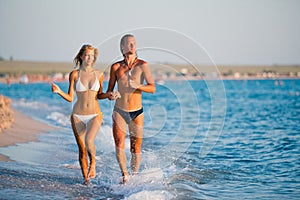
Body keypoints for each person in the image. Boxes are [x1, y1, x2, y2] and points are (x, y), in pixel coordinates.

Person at [98, 34, 156, 183]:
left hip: (137, 112)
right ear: (122, 47)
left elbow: (152, 88)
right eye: (129, 44)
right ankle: (125, 175)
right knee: (119, 145)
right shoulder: (116, 67)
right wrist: (110, 95)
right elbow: (105, 93)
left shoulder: (143, 65)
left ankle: (134, 176)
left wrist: (138, 86)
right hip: (120, 111)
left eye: (134, 43)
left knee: (135, 148)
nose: (132, 46)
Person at [51, 44, 104, 185]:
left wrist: (109, 95)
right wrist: (58, 91)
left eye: (92, 56)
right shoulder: (74, 74)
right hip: (78, 116)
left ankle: (93, 163)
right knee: (82, 149)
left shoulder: (99, 74)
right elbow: (70, 97)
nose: (89, 58)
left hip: (95, 115)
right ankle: (86, 180)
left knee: (89, 141)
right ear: (81, 56)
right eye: (87, 55)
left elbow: (100, 95)